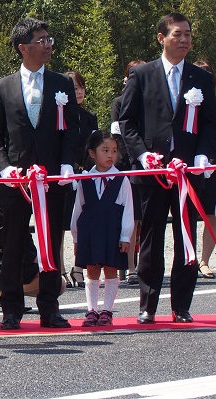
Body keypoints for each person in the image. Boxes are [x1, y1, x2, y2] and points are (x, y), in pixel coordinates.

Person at [120, 13, 216, 324]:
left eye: (188, 34)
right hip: (154, 172)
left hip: (187, 172)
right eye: (178, 34)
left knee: (185, 235)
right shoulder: (143, 75)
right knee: (151, 238)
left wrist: (203, 155)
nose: (185, 40)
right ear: (162, 37)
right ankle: (147, 304)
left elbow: (210, 124)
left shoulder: (201, 79)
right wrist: (142, 154)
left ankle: (182, 305)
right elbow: (127, 121)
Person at [0, 17, 79, 330]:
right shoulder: (2, 87)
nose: (48, 44)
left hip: (52, 179)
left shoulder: (62, 84)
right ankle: (11, 308)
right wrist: (5, 167)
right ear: (23, 47)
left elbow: (71, 129)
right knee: (12, 243)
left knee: (51, 241)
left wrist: (67, 163)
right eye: (40, 40)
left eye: (49, 38)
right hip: (17, 180)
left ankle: (50, 307)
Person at [70, 130, 134, 326]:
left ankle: (107, 310)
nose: (110, 155)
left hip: (112, 229)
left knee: (111, 269)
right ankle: (91, 310)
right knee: (92, 269)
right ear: (92, 153)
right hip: (90, 230)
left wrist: (125, 236)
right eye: (105, 150)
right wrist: (76, 238)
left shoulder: (122, 179)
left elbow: (128, 209)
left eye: (114, 151)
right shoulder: (84, 179)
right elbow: (78, 210)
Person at [61, 70, 99, 289]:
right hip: (65, 174)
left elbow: (92, 146)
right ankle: (61, 269)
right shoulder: (60, 114)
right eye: (74, 87)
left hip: (84, 174)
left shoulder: (89, 116)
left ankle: (78, 267)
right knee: (60, 225)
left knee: (81, 224)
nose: (79, 91)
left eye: (81, 87)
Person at [111, 60, 145, 285]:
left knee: (144, 219)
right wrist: (134, 157)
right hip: (128, 166)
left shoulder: (152, 100)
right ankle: (131, 267)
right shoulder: (119, 101)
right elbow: (118, 133)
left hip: (151, 165)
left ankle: (145, 264)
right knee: (131, 219)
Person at [193, 61, 216, 281]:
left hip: (212, 167)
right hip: (187, 168)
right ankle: (187, 259)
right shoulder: (184, 102)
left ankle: (204, 261)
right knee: (186, 215)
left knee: (211, 216)